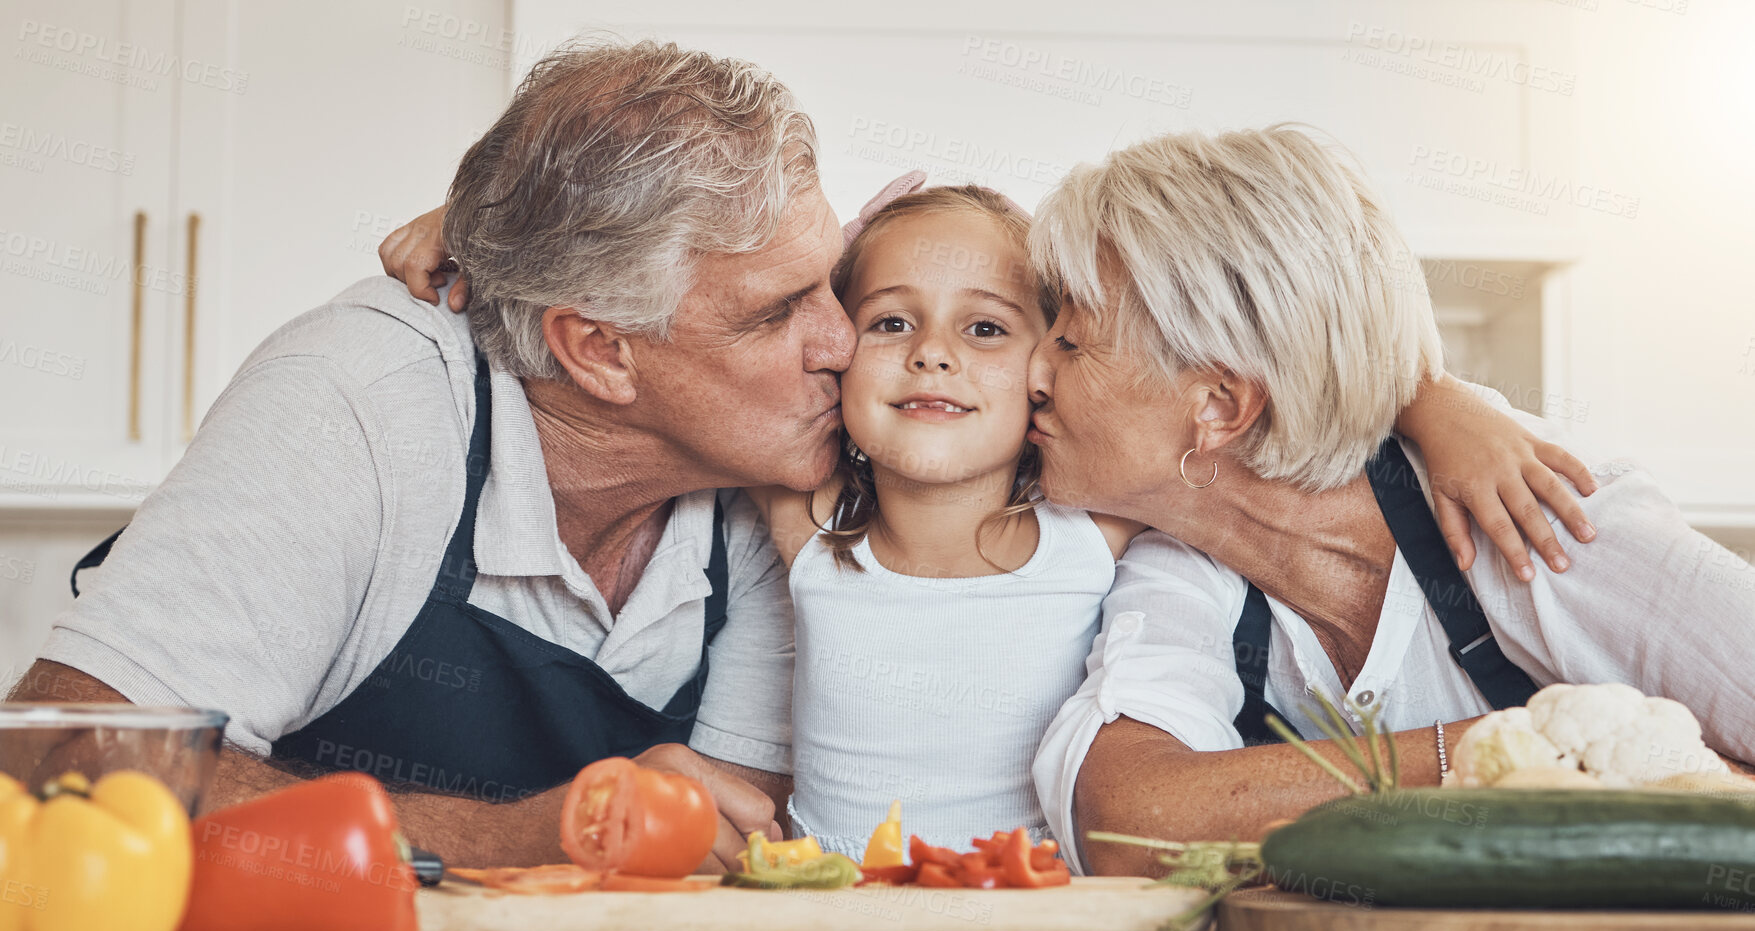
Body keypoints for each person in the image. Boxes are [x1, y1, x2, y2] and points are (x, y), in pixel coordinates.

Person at [386, 172, 1598, 861]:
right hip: (831, 929)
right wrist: (498, 248)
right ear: (832, 352)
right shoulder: (800, 520)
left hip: (1036, 928)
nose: (931, 358)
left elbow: (1283, 362)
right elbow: (702, 301)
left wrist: (1439, 398)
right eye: (889, 321)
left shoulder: (1103, 530)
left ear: (1048, 372)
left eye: (984, 327)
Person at [9, 40, 854, 868]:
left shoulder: (766, 485)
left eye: (838, 285)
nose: (844, 342)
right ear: (598, 349)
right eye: (779, 312)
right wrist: (521, 836)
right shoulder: (357, 401)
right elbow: (65, 765)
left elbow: (736, 854)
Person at [1021, 126, 1755, 874]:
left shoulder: (1540, 513)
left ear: (1218, 403)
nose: (1032, 374)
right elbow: (1128, 821)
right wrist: (1502, 749)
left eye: (1071, 344)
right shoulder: (1181, 559)